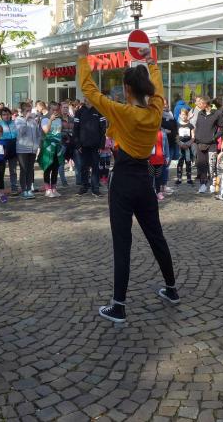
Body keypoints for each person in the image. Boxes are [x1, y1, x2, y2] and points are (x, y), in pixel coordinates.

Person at [78, 42, 178, 323]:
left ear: (127, 89)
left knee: (122, 242)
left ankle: (119, 305)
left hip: (123, 180)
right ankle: (171, 289)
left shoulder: (122, 112)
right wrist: (152, 62)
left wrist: (83, 58)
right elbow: (158, 91)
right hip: (145, 179)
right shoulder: (155, 110)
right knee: (156, 235)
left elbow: (89, 91)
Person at [74, 99, 106, 196]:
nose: (87, 99)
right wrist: (78, 144)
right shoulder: (79, 112)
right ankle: (84, 187)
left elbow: (103, 129)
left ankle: (95, 188)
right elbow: (75, 129)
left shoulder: (99, 111)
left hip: (96, 145)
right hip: (83, 146)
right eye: (85, 97)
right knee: (83, 167)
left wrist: (102, 145)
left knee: (95, 167)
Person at [194, 96, 223, 194]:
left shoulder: (217, 113)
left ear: (205, 104)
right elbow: (198, 126)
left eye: (200, 103)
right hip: (200, 143)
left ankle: (213, 184)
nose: (198, 105)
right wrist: (197, 138)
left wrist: (214, 138)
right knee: (201, 164)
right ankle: (203, 184)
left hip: (211, 144)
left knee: (212, 165)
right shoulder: (200, 113)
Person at [16, 101, 42, 199]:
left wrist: (37, 144)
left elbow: (38, 134)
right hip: (22, 149)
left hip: (32, 149)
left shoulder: (33, 121)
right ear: (22, 112)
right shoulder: (18, 120)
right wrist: (25, 120)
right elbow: (21, 132)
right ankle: (24, 190)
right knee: (24, 169)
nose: (29, 112)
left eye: (30, 110)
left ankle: (29, 189)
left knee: (30, 169)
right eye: (27, 111)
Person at [40, 102, 64, 198]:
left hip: (57, 146)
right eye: (53, 110)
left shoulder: (59, 119)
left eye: (56, 109)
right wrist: (50, 120)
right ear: (49, 109)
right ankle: (47, 189)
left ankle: (54, 188)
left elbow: (59, 132)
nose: (55, 111)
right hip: (48, 146)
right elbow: (46, 131)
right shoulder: (44, 119)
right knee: (48, 167)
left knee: (55, 168)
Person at [0, 107, 20, 195]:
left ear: (10, 115)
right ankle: (1, 189)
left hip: (13, 149)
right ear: (1, 116)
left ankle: (14, 188)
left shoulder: (15, 124)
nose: (6, 116)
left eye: (7, 114)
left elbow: (19, 135)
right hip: (2, 149)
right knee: (1, 170)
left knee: (13, 170)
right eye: (4, 115)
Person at [149, 127, 169, 201]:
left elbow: (166, 146)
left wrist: (167, 157)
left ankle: (158, 192)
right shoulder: (148, 132)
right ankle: (150, 193)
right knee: (150, 177)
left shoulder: (163, 133)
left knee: (159, 177)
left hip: (160, 158)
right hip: (150, 159)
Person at [175, 108, 194, 185]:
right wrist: (180, 144)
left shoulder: (190, 125)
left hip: (188, 146)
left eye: (185, 115)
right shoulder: (177, 125)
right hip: (180, 146)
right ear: (180, 115)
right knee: (180, 162)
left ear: (187, 115)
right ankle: (179, 178)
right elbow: (176, 136)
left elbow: (193, 136)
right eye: (182, 114)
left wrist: (188, 143)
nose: (184, 116)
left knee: (188, 162)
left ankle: (189, 178)